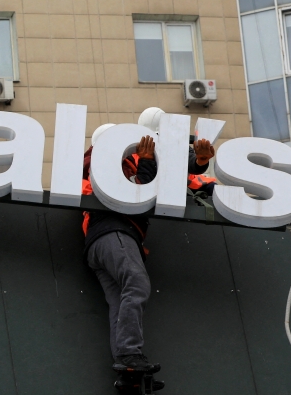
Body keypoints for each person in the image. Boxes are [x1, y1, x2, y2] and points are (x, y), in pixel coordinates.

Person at [82, 119, 216, 376]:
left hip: (99, 242)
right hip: (113, 231)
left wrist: (199, 162)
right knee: (136, 282)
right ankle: (131, 353)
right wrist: (144, 160)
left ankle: (126, 364)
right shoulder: (113, 164)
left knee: (119, 302)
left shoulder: (92, 165)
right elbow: (137, 191)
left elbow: (173, 172)